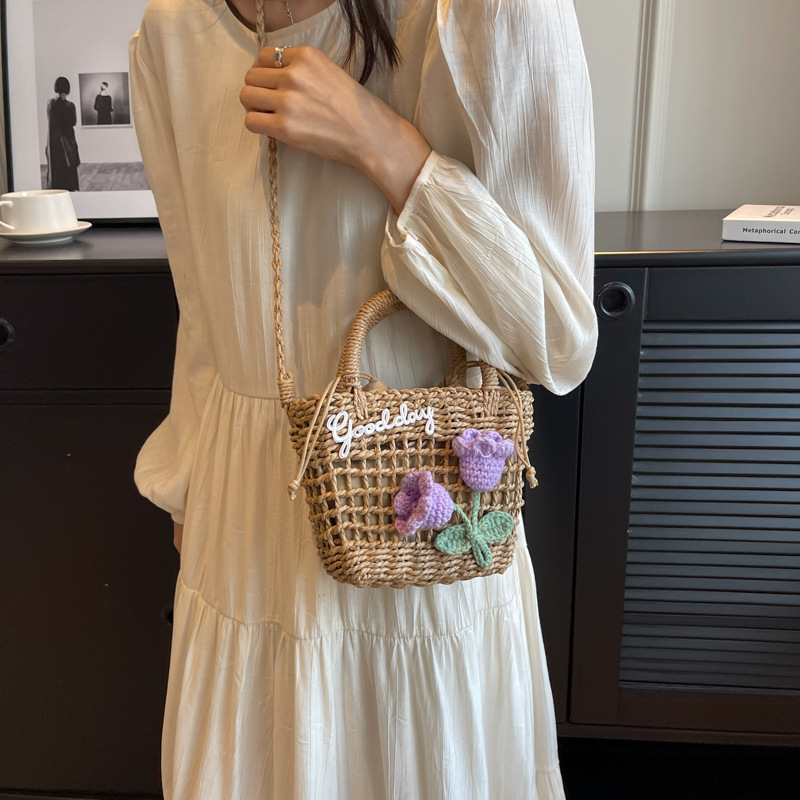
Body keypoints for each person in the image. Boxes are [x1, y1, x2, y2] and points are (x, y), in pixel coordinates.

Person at [129, 0, 597, 798]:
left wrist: (384, 147)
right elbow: (202, 310)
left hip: (412, 523)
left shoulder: (480, 13)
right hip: (243, 529)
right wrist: (188, 491)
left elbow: (555, 334)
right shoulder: (172, 32)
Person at [46, 76, 80, 191]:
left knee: (57, 169)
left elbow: (53, 121)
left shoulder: (51, 104)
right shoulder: (70, 106)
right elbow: (73, 122)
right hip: (67, 140)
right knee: (69, 167)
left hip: (55, 142)